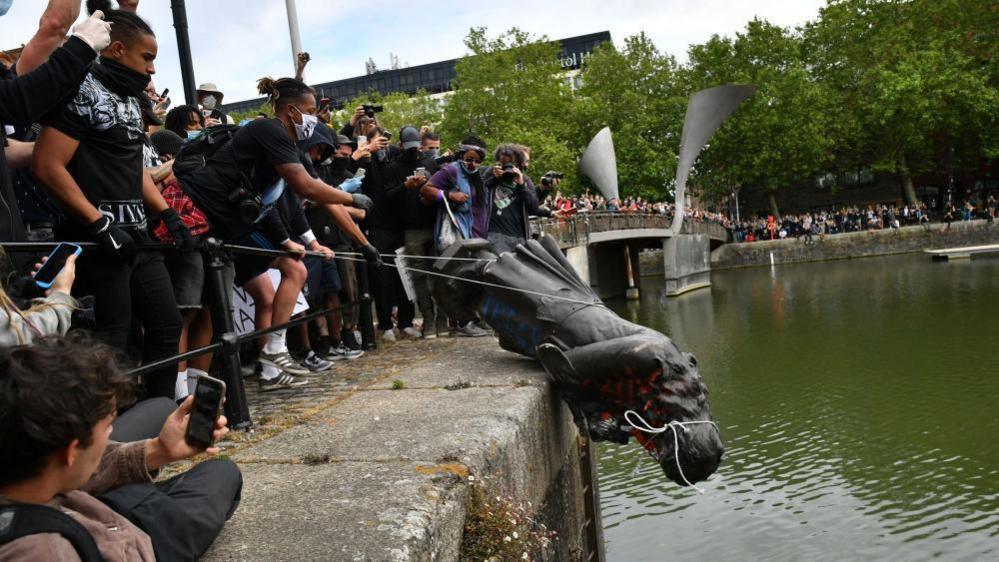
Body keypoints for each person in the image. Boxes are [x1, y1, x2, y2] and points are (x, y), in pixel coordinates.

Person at [32, 2, 188, 400]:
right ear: (117, 50)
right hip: (96, 243)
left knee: (167, 326)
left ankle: (157, 424)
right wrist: (98, 224)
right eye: (147, 57)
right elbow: (48, 165)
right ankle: (103, 446)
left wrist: (169, 215)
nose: (152, 69)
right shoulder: (80, 89)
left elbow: (132, 166)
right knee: (110, 342)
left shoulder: (135, 102)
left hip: (138, 236)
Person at [0, 333, 242, 561]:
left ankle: (146, 484)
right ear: (71, 451)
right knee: (222, 472)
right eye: (107, 426)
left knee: (161, 406)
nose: (112, 432)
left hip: (86, 504)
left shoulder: (32, 471)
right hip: (131, 541)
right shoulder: (46, 551)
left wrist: (158, 450)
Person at [0, 8, 112, 245]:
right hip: (29, 221)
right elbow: (55, 26)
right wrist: (82, 46)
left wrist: (58, 150)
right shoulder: (17, 90)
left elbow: (7, 152)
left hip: (20, 229)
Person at [420, 135, 491, 337]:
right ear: (461, 156)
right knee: (457, 278)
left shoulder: (477, 175)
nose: (473, 164)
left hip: (475, 235)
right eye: (469, 159)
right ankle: (463, 321)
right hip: (455, 233)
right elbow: (427, 190)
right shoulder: (450, 170)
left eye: (477, 160)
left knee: (475, 278)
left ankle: (475, 318)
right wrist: (449, 195)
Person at [482, 143, 552, 253]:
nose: (508, 167)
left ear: (518, 163)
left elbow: (533, 206)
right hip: (495, 235)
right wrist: (493, 177)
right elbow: (479, 190)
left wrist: (521, 184)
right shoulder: (491, 173)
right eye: (504, 163)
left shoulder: (525, 180)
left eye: (511, 164)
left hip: (519, 236)